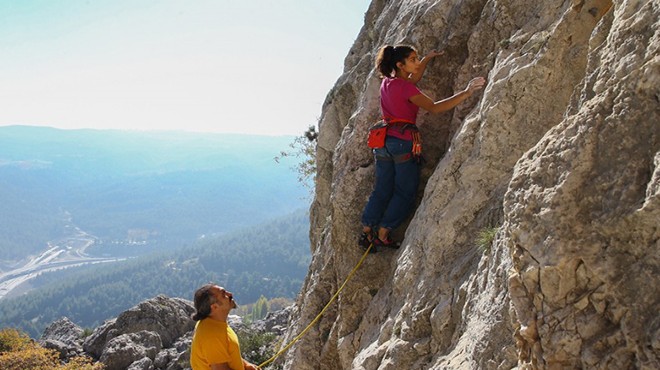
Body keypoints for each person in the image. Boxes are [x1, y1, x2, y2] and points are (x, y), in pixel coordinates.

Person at [359, 44, 486, 250]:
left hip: (383, 142)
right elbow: (435, 107)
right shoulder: (406, 87)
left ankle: (366, 231)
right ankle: (383, 233)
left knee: (382, 189)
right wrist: (466, 92)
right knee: (404, 192)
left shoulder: (388, 83)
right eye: (413, 60)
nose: (417, 63)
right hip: (403, 142)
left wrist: (426, 59)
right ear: (400, 65)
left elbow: (413, 79)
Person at [190, 284, 261, 370]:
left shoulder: (215, 324)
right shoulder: (211, 335)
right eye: (224, 294)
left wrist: (246, 365)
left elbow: (227, 353)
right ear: (215, 306)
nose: (230, 294)